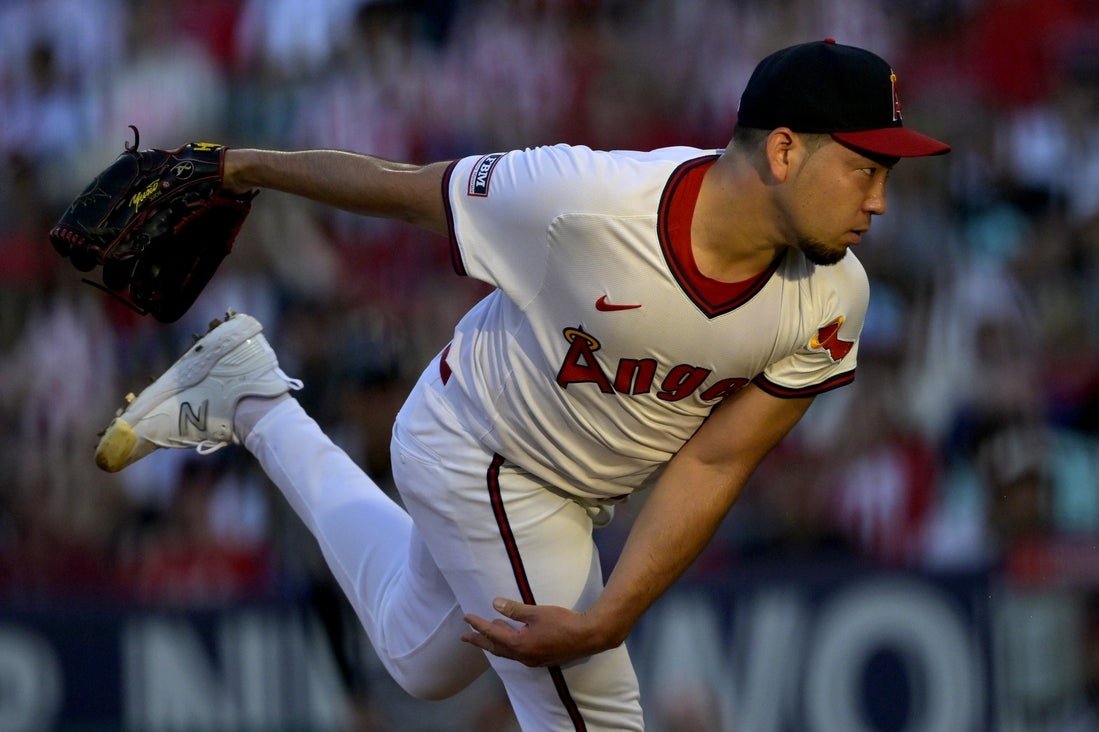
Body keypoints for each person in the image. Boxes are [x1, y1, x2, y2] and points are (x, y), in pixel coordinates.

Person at [94, 39, 950, 730]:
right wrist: (241, 168)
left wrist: (615, 607)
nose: (878, 201)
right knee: (595, 718)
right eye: (864, 168)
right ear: (784, 149)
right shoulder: (584, 200)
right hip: (480, 449)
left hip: (568, 493)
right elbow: (404, 191)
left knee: (418, 657)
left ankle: (250, 398)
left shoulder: (833, 296)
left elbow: (717, 462)